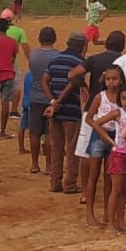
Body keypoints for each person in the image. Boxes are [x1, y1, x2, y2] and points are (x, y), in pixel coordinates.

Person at [43, 32, 87, 194]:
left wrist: (52, 101)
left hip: (54, 111)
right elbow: (73, 83)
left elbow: (44, 80)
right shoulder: (80, 62)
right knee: (72, 146)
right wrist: (59, 101)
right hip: (70, 109)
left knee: (57, 147)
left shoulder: (55, 59)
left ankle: (55, 182)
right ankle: (70, 183)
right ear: (82, 46)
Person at [81, 65, 125, 227]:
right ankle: (90, 213)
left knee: (109, 177)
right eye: (108, 79)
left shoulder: (122, 97)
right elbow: (89, 118)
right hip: (99, 136)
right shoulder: (100, 97)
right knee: (94, 175)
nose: (111, 82)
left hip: (115, 138)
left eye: (114, 79)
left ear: (120, 80)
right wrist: (100, 131)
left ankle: (108, 213)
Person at [96, 83, 126, 234]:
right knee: (115, 190)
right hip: (118, 155)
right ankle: (110, 224)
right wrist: (106, 138)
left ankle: (120, 223)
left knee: (124, 191)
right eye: (123, 98)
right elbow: (98, 123)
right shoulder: (118, 113)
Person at [25, 27, 59, 174]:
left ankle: (34, 164)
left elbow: (32, 71)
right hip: (51, 97)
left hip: (35, 96)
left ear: (39, 39)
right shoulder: (58, 55)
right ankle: (49, 166)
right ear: (54, 39)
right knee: (50, 133)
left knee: (35, 132)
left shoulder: (33, 55)